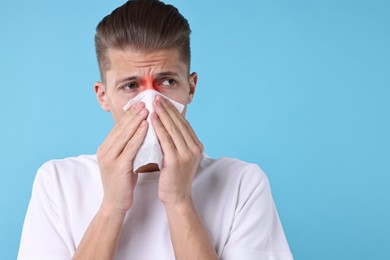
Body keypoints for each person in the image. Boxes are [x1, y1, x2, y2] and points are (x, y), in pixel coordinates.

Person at [18, 0, 293, 259]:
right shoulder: (58, 183)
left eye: (167, 81)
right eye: (131, 86)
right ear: (103, 96)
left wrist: (179, 201)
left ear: (191, 88)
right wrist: (112, 207)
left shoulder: (242, 184)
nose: (151, 102)